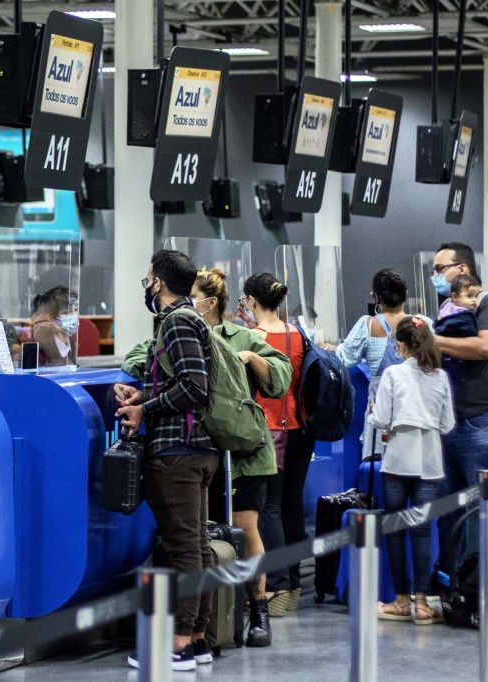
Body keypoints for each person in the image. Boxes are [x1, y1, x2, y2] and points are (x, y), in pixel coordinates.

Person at [123, 267, 292, 647]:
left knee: (236, 532)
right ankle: (201, 633)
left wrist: (250, 359)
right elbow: (141, 358)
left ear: (210, 302)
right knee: (201, 542)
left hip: (234, 450)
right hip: (210, 448)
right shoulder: (176, 326)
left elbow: (279, 376)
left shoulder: (231, 333)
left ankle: (250, 611)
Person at [115, 250, 218, 672]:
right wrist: (147, 396)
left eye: (147, 277)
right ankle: (197, 638)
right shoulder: (190, 319)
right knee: (197, 545)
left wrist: (145, 411)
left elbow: (195, 386)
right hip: (198, 449)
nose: (146, 284)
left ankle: (177, 644)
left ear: (158, 281)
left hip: (179, 451)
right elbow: (183, 382)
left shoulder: (176, 321)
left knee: (183, 549)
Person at [369, 316, 454, 625]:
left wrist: (378, 415)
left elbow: (380, 418)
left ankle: (401, 601)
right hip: (430, 460)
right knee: (422, 531)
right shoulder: (441, 377)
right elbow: (447, 424)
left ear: (401, 346)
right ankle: (421, 604)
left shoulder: (393, 373)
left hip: (397, 461)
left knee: (395, 531)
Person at [244, 273, 316, 616]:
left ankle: (277, 584)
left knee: (268, 509)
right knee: (291, 507)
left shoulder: (252, 339)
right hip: (300, 428)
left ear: (252, 302)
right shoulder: (298, 335)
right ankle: (295, 582)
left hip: (270, 429)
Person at [431, 243, 488, 565]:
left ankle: (487, 583)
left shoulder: (486, 303)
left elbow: (485, 347)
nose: (435, 276)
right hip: (446, 420)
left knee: (483, 507)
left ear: (462, 269)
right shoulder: (447, 308)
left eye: (440, 269)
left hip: (479, 420)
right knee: (449, 507)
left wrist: (433, 341)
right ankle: (455, 584)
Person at [327, 269, 413, 458]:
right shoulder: (422, 324)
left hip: (381, 413)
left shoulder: (368, 324)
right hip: (416, 415)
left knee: (381, 472)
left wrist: (330, 348)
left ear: (376, 298)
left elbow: (346, 357)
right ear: (405, 294)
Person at [29, 286, 74, 367]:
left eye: (76, 310)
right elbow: (59, 362)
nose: (73, 314)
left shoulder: (70, 339)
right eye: (66, 312)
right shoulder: (43, 332)